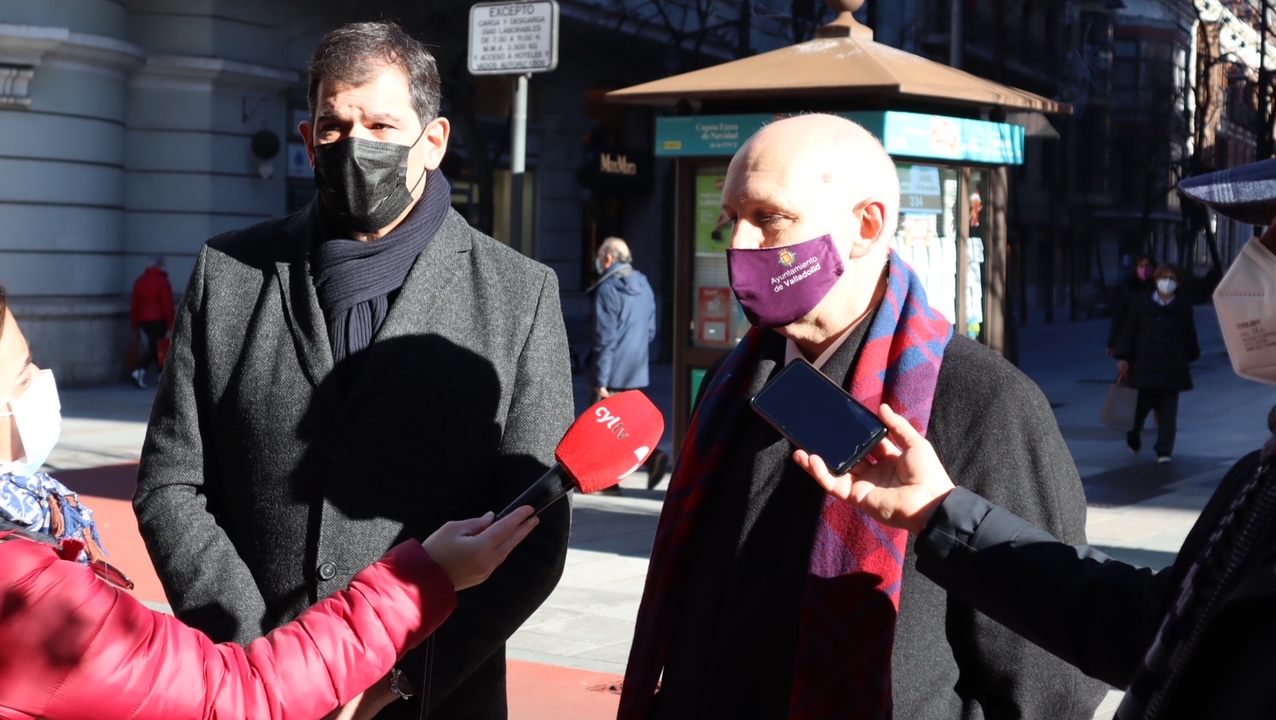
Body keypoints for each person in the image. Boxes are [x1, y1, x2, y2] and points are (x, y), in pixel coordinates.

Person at [132, 21, 574, 720]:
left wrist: (395, 682)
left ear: (433, 141)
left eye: (381, 125)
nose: (354, 144)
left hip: (430, 698)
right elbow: (171, 484)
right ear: (308, 141)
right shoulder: (230, 271)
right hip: (254, 687)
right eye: (334, 126)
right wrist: (271, 665)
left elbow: (530, 534)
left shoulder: (520, 294)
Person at [618, 114, 1105, 720]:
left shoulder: (986, 402)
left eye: (769, 218)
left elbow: (1046, 686)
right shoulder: (728, 381)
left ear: (866, 225)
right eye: (731, 219)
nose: (738, 243)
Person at [790, 156, 1276, 720]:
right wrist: (940, 512)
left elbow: (1050, 688)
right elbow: (1151, 625)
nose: (1256, 258)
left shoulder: (989, 396)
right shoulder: (1262, 475)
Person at [0, 280, 542, 720]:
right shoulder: (29, 586)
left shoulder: (522, 289)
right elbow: (239, 696)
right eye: (23, 375)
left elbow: (533, 544)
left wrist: (409, 681)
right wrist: (418, 581)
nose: (41, 381)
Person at [586, 236, 668, 490]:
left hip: (611, 370)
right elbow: (651, 331)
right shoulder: (644, 284)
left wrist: (600, 379)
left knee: (604, 429)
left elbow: (604, 338)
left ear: (608, 259)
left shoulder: (608, 288)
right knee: (619, 428)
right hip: (635, 369)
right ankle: (642, 463)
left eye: (600, 257)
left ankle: (641, 462)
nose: (598, 262)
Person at [1113, 263, 1200, 463]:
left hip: (1171, 368)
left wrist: (1190, 354)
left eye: (1172, 278)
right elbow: (1129, 332)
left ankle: (1164, 450)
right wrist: (1123, 357)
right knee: (1138, 410)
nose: (1167, 281)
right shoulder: (1141, 304)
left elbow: (1189, 334)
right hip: (1143, 367)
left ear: (1178, 283)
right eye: (1163, 277)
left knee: (1168, 413)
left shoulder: (1183, 307)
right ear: (1156, 280)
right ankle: (1133, 435)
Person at [129, 255, 175, 389]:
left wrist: (135, 323)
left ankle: (162, 375)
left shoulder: (140, 281)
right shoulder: (162, 281)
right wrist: (171, 324)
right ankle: (139, 372)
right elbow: (167, 305)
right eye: (163, 264)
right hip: (158, 319)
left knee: (155, 346)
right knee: (156, 348)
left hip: (144, 321)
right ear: (159, 265)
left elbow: (135, 305)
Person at [1106, 254, 1154, 358]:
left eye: (1147, 266)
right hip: (1132, 340)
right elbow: (1119, 317)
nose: (1144, 269)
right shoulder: (1129, 288)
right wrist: (1112, 343)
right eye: (1141, 266)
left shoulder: (1158, 288)